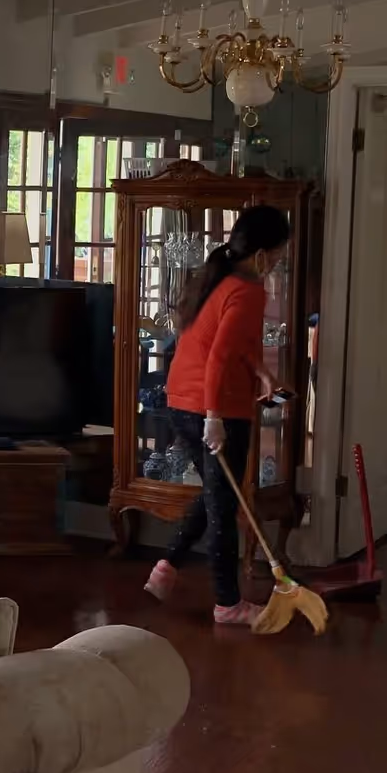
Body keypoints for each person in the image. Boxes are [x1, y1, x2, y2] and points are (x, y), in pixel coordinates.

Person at [144, 205, 290, 625]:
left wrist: (262, 373)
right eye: (279, 255)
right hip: (213, 407)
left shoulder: (223, 279)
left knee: (215, 494)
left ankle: (166, 567)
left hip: (180, 401)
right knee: (222, 506)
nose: (280, 263)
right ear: (261, 255)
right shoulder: (248, 290)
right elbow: (218, 358)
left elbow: (234, 343)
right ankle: (228, 604)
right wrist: (214, 417)